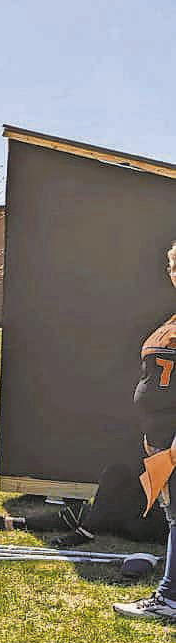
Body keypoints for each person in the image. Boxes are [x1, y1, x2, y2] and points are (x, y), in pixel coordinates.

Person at [114, 241, 176, 622]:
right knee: (174, 517)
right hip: (160, 440)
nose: (175, 272)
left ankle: (169, 597)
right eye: (173, 265)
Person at [0, 460, 168, 548]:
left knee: (113, 480)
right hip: (150, 510)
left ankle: (85, 532)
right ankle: (13, 523)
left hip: (158, 523)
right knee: (113, 479)